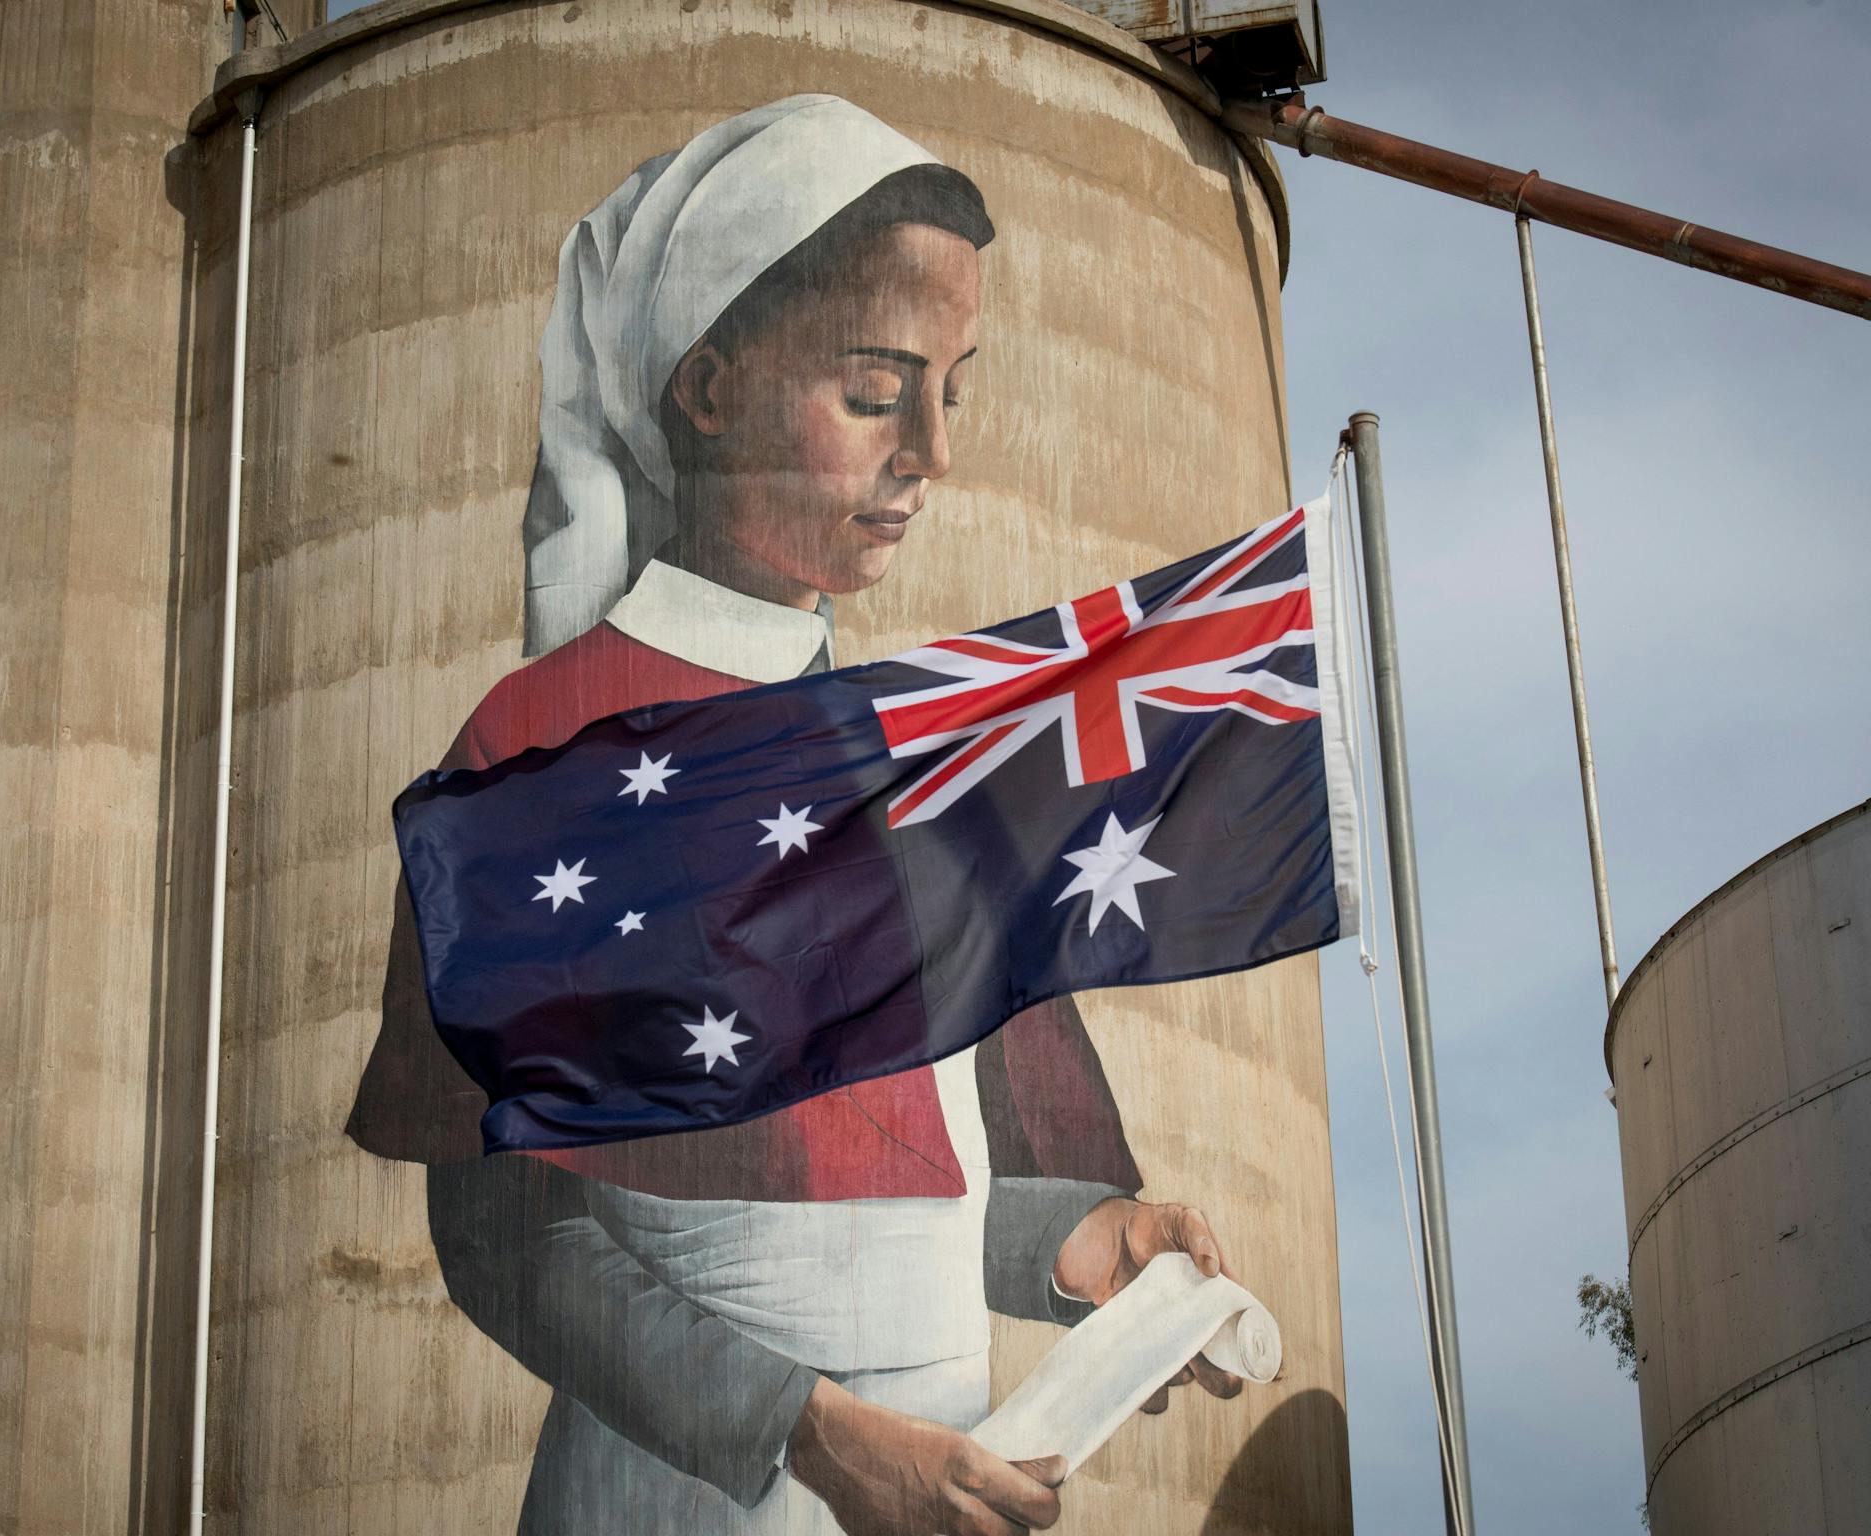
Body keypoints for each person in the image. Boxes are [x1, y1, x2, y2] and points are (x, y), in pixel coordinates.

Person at [347, 95, 1245, 1536]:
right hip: (684, 1493)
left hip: (951, 1476)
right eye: (878, 393)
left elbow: (902, 1183)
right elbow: (508, 1233)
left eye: (957, 391)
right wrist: (816, 1438)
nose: (931, 451)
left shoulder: (920, 755)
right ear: (708, 389)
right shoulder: (542, 754)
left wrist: (1087, 1240)